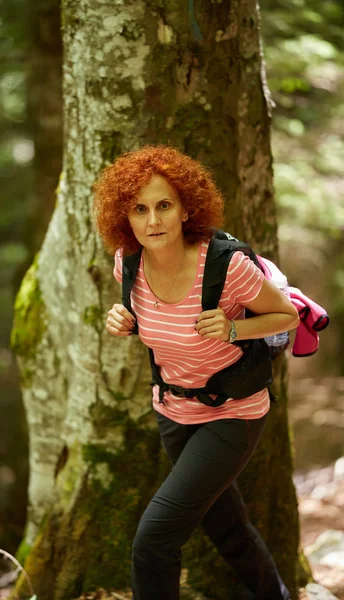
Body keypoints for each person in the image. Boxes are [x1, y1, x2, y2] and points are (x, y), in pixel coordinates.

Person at [93, 145, 299, 600]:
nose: (153, 221)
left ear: (186, 208)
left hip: (233, 414)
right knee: (228, 528)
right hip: (172, 413)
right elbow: (153, 324)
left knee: (154, 539)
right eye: (139, 209)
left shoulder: (226, 267)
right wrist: (123, 320)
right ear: (124, 217)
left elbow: (286, 316)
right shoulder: (128, 264)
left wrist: (233, 327)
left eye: (164, 205)